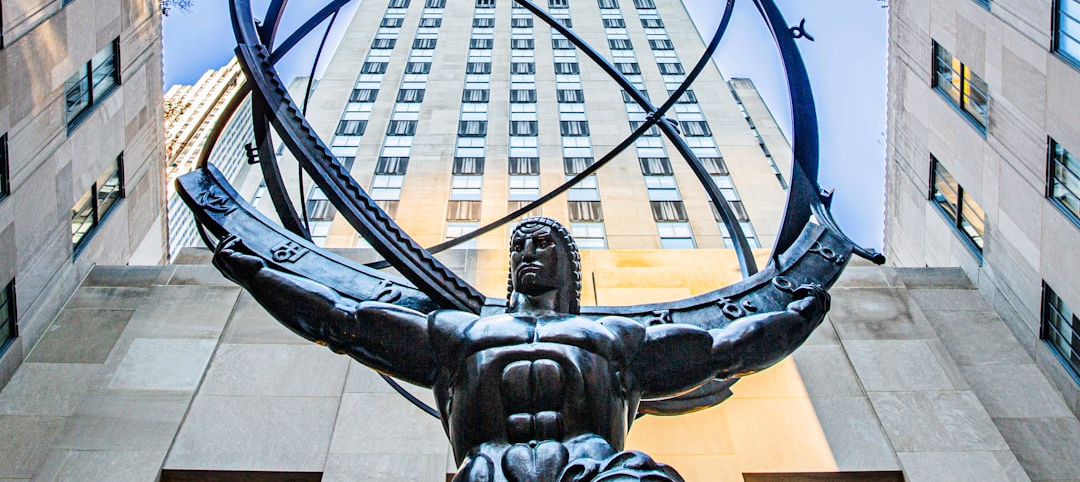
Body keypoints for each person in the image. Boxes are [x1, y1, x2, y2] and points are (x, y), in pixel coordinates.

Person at [213, 216, 830, 482]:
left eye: (543, 245)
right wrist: (258, 275)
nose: (528, 252)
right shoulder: (459, 335)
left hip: (594, 470)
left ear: (569, 263)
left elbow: (724, 350)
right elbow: (340, 322)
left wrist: (799, 312)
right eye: (519, 247)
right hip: (487, 471)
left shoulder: (614, 339)